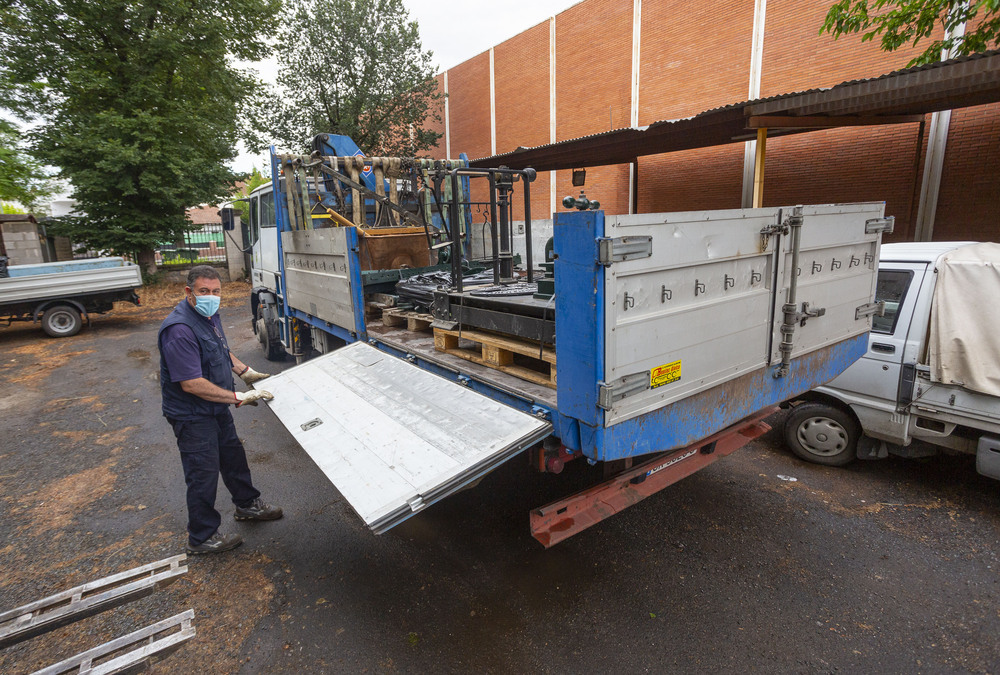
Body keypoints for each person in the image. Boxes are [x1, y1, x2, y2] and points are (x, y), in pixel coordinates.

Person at [158, 265, 282, 554]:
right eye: (204, 292)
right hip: (191, 414)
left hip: (214, 407)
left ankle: (247, 505)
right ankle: (202, 537)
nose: (211, 297)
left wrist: (244, 370)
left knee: (233, 456)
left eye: (216, 292)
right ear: (189, 292)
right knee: (203, 472)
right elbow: (190, 383)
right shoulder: (179, 330)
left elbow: (218, 346)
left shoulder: (208, 314)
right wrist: (238, 396)